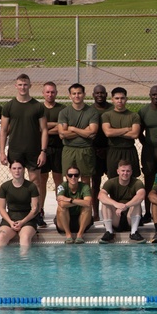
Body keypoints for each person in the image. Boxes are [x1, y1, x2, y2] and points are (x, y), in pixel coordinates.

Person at [0, 74, 48, 227]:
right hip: (15, 151)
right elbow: (4, 130)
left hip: (33, 150)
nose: (23, 87)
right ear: (16, 86)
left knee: (35, 182)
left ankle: (38, 213)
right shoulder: (9, 106)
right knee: (17, 181)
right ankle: (14, 213)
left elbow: (44, 129)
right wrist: (2, 151)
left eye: (25, 85)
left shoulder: (38, 106)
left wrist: (43, 151)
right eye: (20, 85)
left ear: (30, 86)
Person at [57, 83, 99, 217]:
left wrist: (73, 128)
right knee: (69, 179)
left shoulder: (91, 112)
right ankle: (69, 209)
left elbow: (92, 132)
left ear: (84, 95)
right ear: (70, 96)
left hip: (85, 150)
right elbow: (62, 134)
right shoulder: (64, 112)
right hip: (69, 149)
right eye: (74, 93)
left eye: (79, 93)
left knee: (86, 181)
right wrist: (83, 131)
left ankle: (86, 210)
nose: (77, 96)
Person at [98, 158, 147, 243]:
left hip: (130, 217)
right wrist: (116, 204)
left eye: (128, 171)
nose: (125, 173)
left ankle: (134, 232)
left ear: (131, 172)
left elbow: (141, 195)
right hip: (116, 216)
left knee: (137, 203)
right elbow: (101, 195)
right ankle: (109, 232)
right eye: (123, 171)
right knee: (105, 203)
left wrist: (125, 206)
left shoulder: (137, 182)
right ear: (118, 171)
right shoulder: (111, 182)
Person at [0, 159, 39, 250]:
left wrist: (22, 221)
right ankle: (3, 263)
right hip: (10, 218)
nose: (17, 171)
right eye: (14, 168)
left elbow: (35, 209)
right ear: (10, 170)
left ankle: (23, 263)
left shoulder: (31, 186)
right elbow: (1, 208)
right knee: (1, 237)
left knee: (25, 238)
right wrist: (10, 222)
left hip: (27, 219)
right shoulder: (5, 186)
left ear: (23, 169)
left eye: (19, 168)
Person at [37, 81, 65, 227]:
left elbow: (63, 128)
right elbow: (36, 128)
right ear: (43, 93)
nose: (50, 94)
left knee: (58, 180)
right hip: (43, 149)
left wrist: (45, 128)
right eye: (47, 92)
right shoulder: (38, 108)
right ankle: (40, 211)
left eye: (52, 92)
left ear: (56, 93)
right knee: (42, 180)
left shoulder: (62, 109)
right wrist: (55, 125)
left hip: (59, 148)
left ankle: (60, 211)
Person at [101, 86, 142, 179]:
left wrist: (115, 131)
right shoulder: (107, 115)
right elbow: (108, 133)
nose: (120, 101)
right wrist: (127, 129)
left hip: (129, 150)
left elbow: (135, 134)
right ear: (112, 100)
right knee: (113, 179)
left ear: (126, 99)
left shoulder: (134, 115)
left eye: (122, 98)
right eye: (117, 98)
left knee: (131, 179)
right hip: (113, 151)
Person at [89, 84, 112, 217]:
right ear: (93, 95)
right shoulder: (89, 110)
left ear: (106, 94)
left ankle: (114, 209)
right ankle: (95, 212)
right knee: (95, 182)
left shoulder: (111, 109)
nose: (99, 95)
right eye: (97, 93)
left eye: (102, 93)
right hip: (94, 150)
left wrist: (107, 148)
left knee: (113, 181)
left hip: (110, 150)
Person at [55, 164, 93, 243]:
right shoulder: (62, 186)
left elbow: (88, 203)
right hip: (64, 222)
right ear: (66, 176)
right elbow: (62, 204)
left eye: (76, 175)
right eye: (70, 175)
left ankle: (80, 235)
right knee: (61, 208)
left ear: (79, 176)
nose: (73, 177)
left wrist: (70, 200)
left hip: (81, 221)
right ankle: (68, 235)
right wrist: (79, 201)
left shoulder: (84, 187)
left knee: (88, 207)